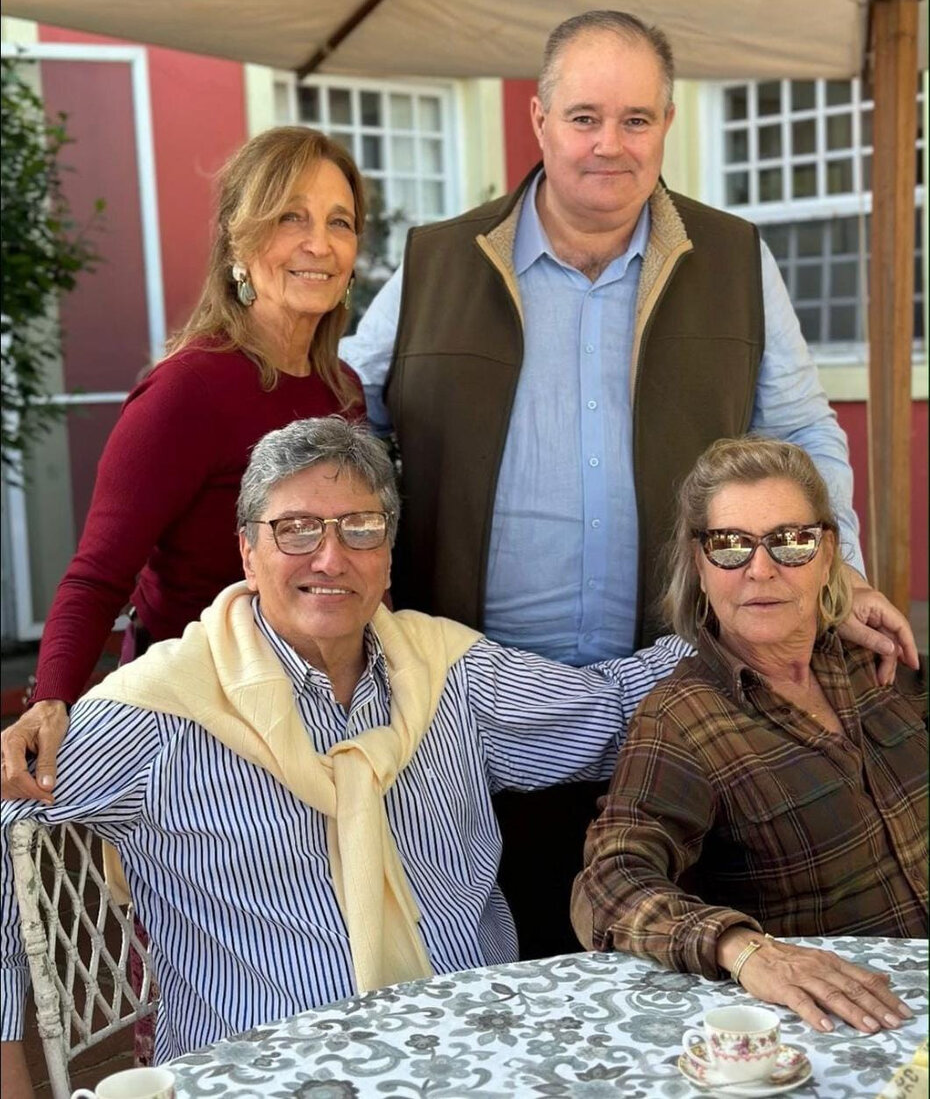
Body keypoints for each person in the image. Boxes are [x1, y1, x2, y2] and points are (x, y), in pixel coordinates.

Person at [339, 8, 919, 957]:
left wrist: (836, 573)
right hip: (473, 711)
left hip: (680, 698)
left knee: (671, 964)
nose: (610, 144)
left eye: (637, 119)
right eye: (585, 117)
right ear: (537, 119)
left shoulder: (733, 259)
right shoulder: (437, 259)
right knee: (489, 969)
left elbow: (805, 429)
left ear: (668, 123)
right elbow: (347, 412)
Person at [1, 416, 689, 1092]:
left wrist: (748, 618)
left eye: (359, 527)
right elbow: (6, 809)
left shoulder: (450, 673)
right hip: (259, 1077)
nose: (330, 557)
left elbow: (612, 709)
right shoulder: (160, 709)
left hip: (476, 1055)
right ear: (246, 550)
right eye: (296, 528)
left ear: (387, 553)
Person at [3, 125, 366, 805]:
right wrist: (50, 700)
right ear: (239, 238)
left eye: (338, 222)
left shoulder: (342, 391)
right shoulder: (186, 391)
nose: (320, 243)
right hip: (196, 730)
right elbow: (98, 573)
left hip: (319, 723)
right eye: (292, 216)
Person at [571, 436, 927, 1034]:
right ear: (700, 565)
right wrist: (745, 951)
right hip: (850, 1028)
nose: (760, 569)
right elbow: (608, 885)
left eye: (790, 541)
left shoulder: (872, 663)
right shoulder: (682, 718)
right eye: (730, 545)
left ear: (827, 551)